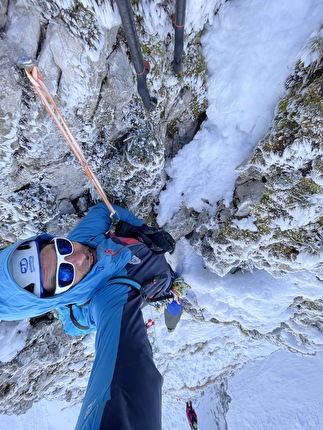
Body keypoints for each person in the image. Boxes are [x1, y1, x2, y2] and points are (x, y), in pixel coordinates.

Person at [0, 202, 182, 430]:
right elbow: (124, 364)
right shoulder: (106, 297)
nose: (77, 258)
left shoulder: (83, 239)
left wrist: (139, 229)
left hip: (151, 263)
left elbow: (103, 211)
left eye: (62, 249)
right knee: (170, 292)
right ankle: (171, 295)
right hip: (155, 284)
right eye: (64, 275)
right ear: (56, 297)